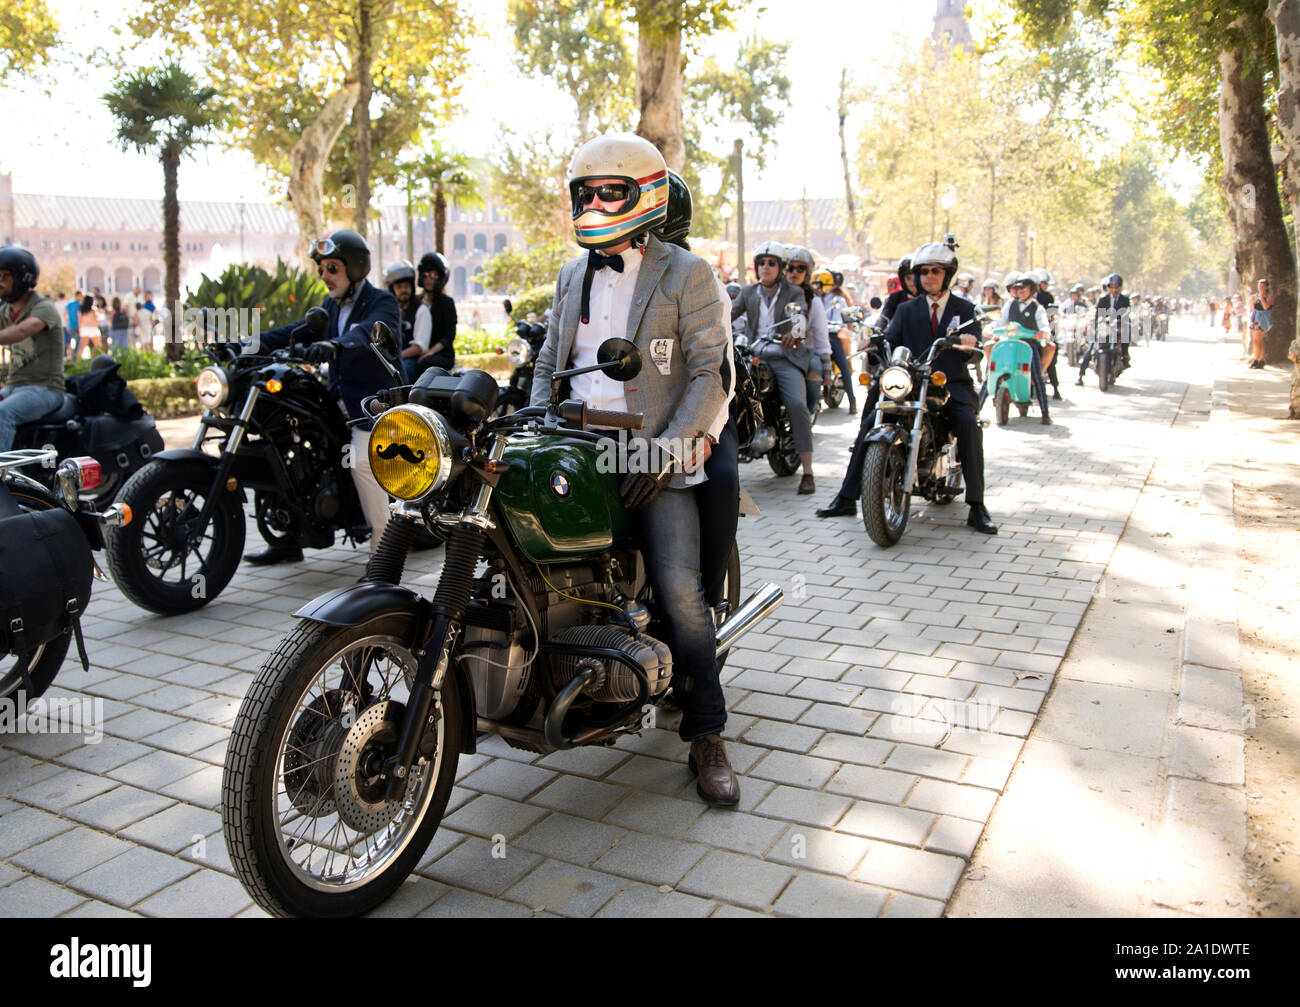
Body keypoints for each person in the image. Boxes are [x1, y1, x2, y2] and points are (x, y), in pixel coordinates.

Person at [528, 133, 734, 805]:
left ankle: (706, 731)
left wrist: (669, 450)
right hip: (572, 444)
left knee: (680, 592)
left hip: (652, 449)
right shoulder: (569, 275)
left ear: (643, 193)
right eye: (583, 193)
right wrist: (534, 424)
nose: (592, 203)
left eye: (607, 192)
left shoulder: (687, 273)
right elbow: (547, 364)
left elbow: (711, 374)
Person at [252, 228, 401, 565]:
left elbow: (367, 334)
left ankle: (384, 560)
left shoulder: (382, 302)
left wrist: (334, 345)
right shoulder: (329, 306)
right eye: (322, 270)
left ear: (356, 267)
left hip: (373, 403)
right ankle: (288, 538)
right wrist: (252, 343)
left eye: (332, 268)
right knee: (280, 442)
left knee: (363, 464)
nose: (325, 276)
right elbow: (296, 329)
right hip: (338, 401)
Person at [731, 240, 819, 494]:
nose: (765, 267)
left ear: (780, 268)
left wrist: (796, 333)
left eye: (771, 263)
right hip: (755, 357)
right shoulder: (748, 293)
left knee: (796, 405)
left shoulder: (794, 292)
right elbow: (729, 315)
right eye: (762, 263)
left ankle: (808, 472)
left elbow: (799, 317)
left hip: (785, 358)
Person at [0, 247, 66, 452]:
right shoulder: (5, 311)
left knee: (3, 413)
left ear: (22, 278)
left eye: (3, 277)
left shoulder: (44, 308)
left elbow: (22, 331)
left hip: (45, 389)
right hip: (14, 387)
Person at [784, 246, 832, 419]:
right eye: (790, 267)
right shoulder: (772, 293)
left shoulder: (815, 301)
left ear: (808, 272)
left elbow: (821, 336)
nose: (794, 272)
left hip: (804, 354)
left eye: (800, 268)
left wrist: (827, 368)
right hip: (773, 351)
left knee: (815, 366)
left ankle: (808, 414)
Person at [1001, 274, 1053, 424]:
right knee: (992, 373)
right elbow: (1001, 322)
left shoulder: (1037, 307)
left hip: (1029, 347)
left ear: (1032, 289)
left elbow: (1044, 324)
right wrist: (995, 331)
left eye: (1024, 288)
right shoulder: (1010, 305)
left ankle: (1045, 412)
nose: (1020, 291)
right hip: (1010, 345)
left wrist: (1042, 332)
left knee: (1037, 376)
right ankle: (977, 410)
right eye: (1017, 288)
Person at [813, 266, 857, 414]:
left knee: (844, 366)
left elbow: (838, 322)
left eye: (818, 285)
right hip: (815, 336)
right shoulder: (813, 299)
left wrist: (826, 326)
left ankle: (852, 401)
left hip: (831, 337)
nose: (816, 288)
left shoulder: (837, 300)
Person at [410, 252, 456, 376]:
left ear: (440, 277)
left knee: (425, 363)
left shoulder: (447, 303)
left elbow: (449, 335)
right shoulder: (415, 301)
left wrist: (430, 352)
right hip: (418, 352)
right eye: (425, 275)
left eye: (433, 275)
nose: (428, 279)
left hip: (441, 354)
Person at [1083, 273, 1130, 380]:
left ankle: (1125, 356)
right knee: (1090, 346)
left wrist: (1124, 322)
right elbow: (1097, 314)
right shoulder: (1103, 299)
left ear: (1120, 285)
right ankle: (1081, 373)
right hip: (1104, 327)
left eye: (1115, 285)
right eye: (1111, 285)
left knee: (1126, 335)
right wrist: (1095, 325)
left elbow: (1127, 313)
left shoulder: (1125, 300)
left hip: (1118, 326)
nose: (1113, 287)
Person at [382, 260, 419, 380]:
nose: (404, 290)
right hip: (395, 359)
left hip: (412, 360)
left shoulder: (420, 309)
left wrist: (395, 358)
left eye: (407, 286)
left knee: (403, 371)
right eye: (399, 287)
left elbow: (419, 347)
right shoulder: (388, 311)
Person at [1249, 278, 1273, 369]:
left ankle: (1255, 359)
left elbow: (1266, 307)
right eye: (1259, 286)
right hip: (1256, 318)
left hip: (1264, 319)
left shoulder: (1269, 295)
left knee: (1257, 340)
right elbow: (1254, 308)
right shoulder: (1255, 296)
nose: (1261, 288)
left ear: (1267, 287)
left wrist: (1262, 297)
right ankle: (1260, 360)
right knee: (1259, 341)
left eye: (1263, 286)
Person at [64, 289, 81, 361]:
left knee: (73, 341)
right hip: (75, 326)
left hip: (72, 326)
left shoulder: (70, 304)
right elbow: (79, 316)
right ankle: (74, 357)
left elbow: (65, 314)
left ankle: (72, 357)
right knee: (77, 341)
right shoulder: (78, 304)